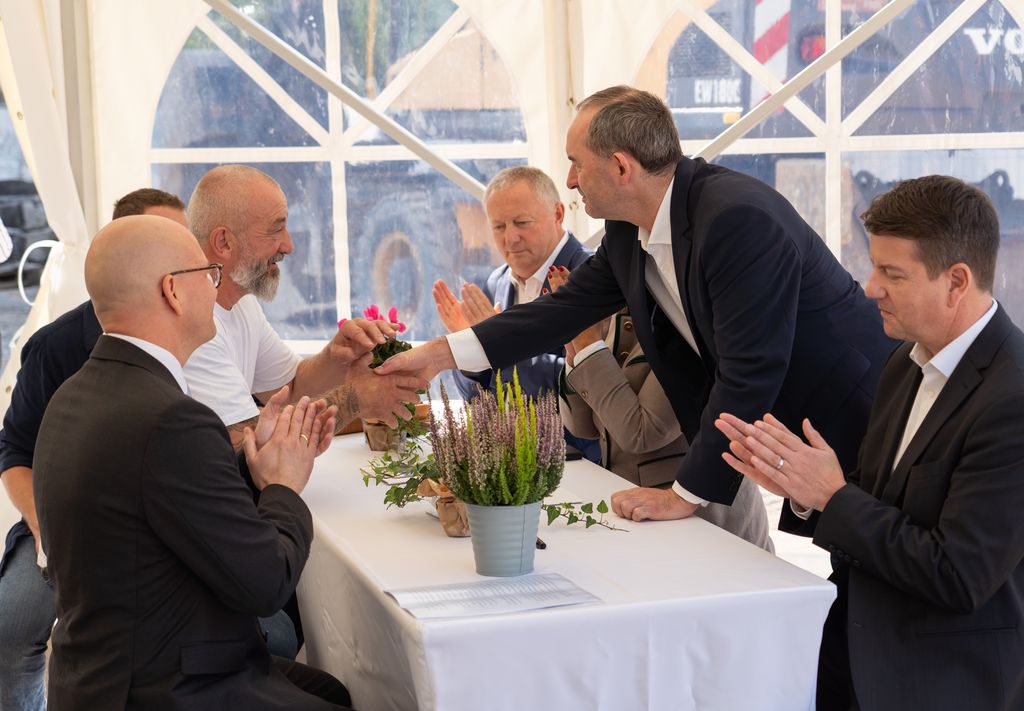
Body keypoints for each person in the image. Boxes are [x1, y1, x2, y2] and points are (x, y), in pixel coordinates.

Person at [377, 85, 895, 527]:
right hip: (793, 436)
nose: (571, 180)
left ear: (621, 167)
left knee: (879, 583)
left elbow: (749, 371)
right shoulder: (628, 232)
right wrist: (438, 355)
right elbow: (559, 312)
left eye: (577, 163)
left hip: (861, 417)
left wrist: (683, 495)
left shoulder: (736, 220)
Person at [716, 175, 1024, 710]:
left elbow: (958, 575)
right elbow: (878, 501)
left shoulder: (1013, 396)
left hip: (940, 681)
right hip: (853, 649)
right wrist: (804, 491)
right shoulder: (904, 362)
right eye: (874, 266)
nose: (869, 287)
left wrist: (831, 496)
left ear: (956, 281)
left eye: (892, 273)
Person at [34, 214, 353, 710]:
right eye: (209, 273)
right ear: (173, 291)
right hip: (165, 686)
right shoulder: (171, 418)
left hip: (101, 673)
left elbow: (158, 503)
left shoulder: (74, 394)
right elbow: (267, 584)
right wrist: (282, 486)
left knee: (333, 689)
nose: (216, 287)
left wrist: (251, 462)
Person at [0, 189, 194, 710]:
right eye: (166, 245)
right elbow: (14, 449)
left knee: (268, 631)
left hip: (169, 522)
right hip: (66, 522)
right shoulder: (56, 346)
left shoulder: (202, 332)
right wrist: (45, 526)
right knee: (8, 632)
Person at [184, 164, 425, 447]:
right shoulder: (194, 322)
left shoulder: (242, 303)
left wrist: (335, 355)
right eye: (275, 230)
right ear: (224, 242)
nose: (288, 245)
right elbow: (244, 442)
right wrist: (355, 399)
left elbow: (291, 387)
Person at [549, 267, 771, 549]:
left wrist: (589, 346)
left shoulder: (688, 319)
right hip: (634, 516)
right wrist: (576, 348)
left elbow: (642, 433)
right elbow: (582, 427)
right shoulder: (617, 312)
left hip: (706, 529)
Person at [432, 165, 599, 461]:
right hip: (517, 459)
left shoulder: (593, 277)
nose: (510, 238)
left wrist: (498, 345)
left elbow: (590, 383)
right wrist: (469, 351)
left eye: (522, 222)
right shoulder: (496, 282)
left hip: (585, 460)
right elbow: (479, 402)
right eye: (499, 227)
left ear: (558, 214)